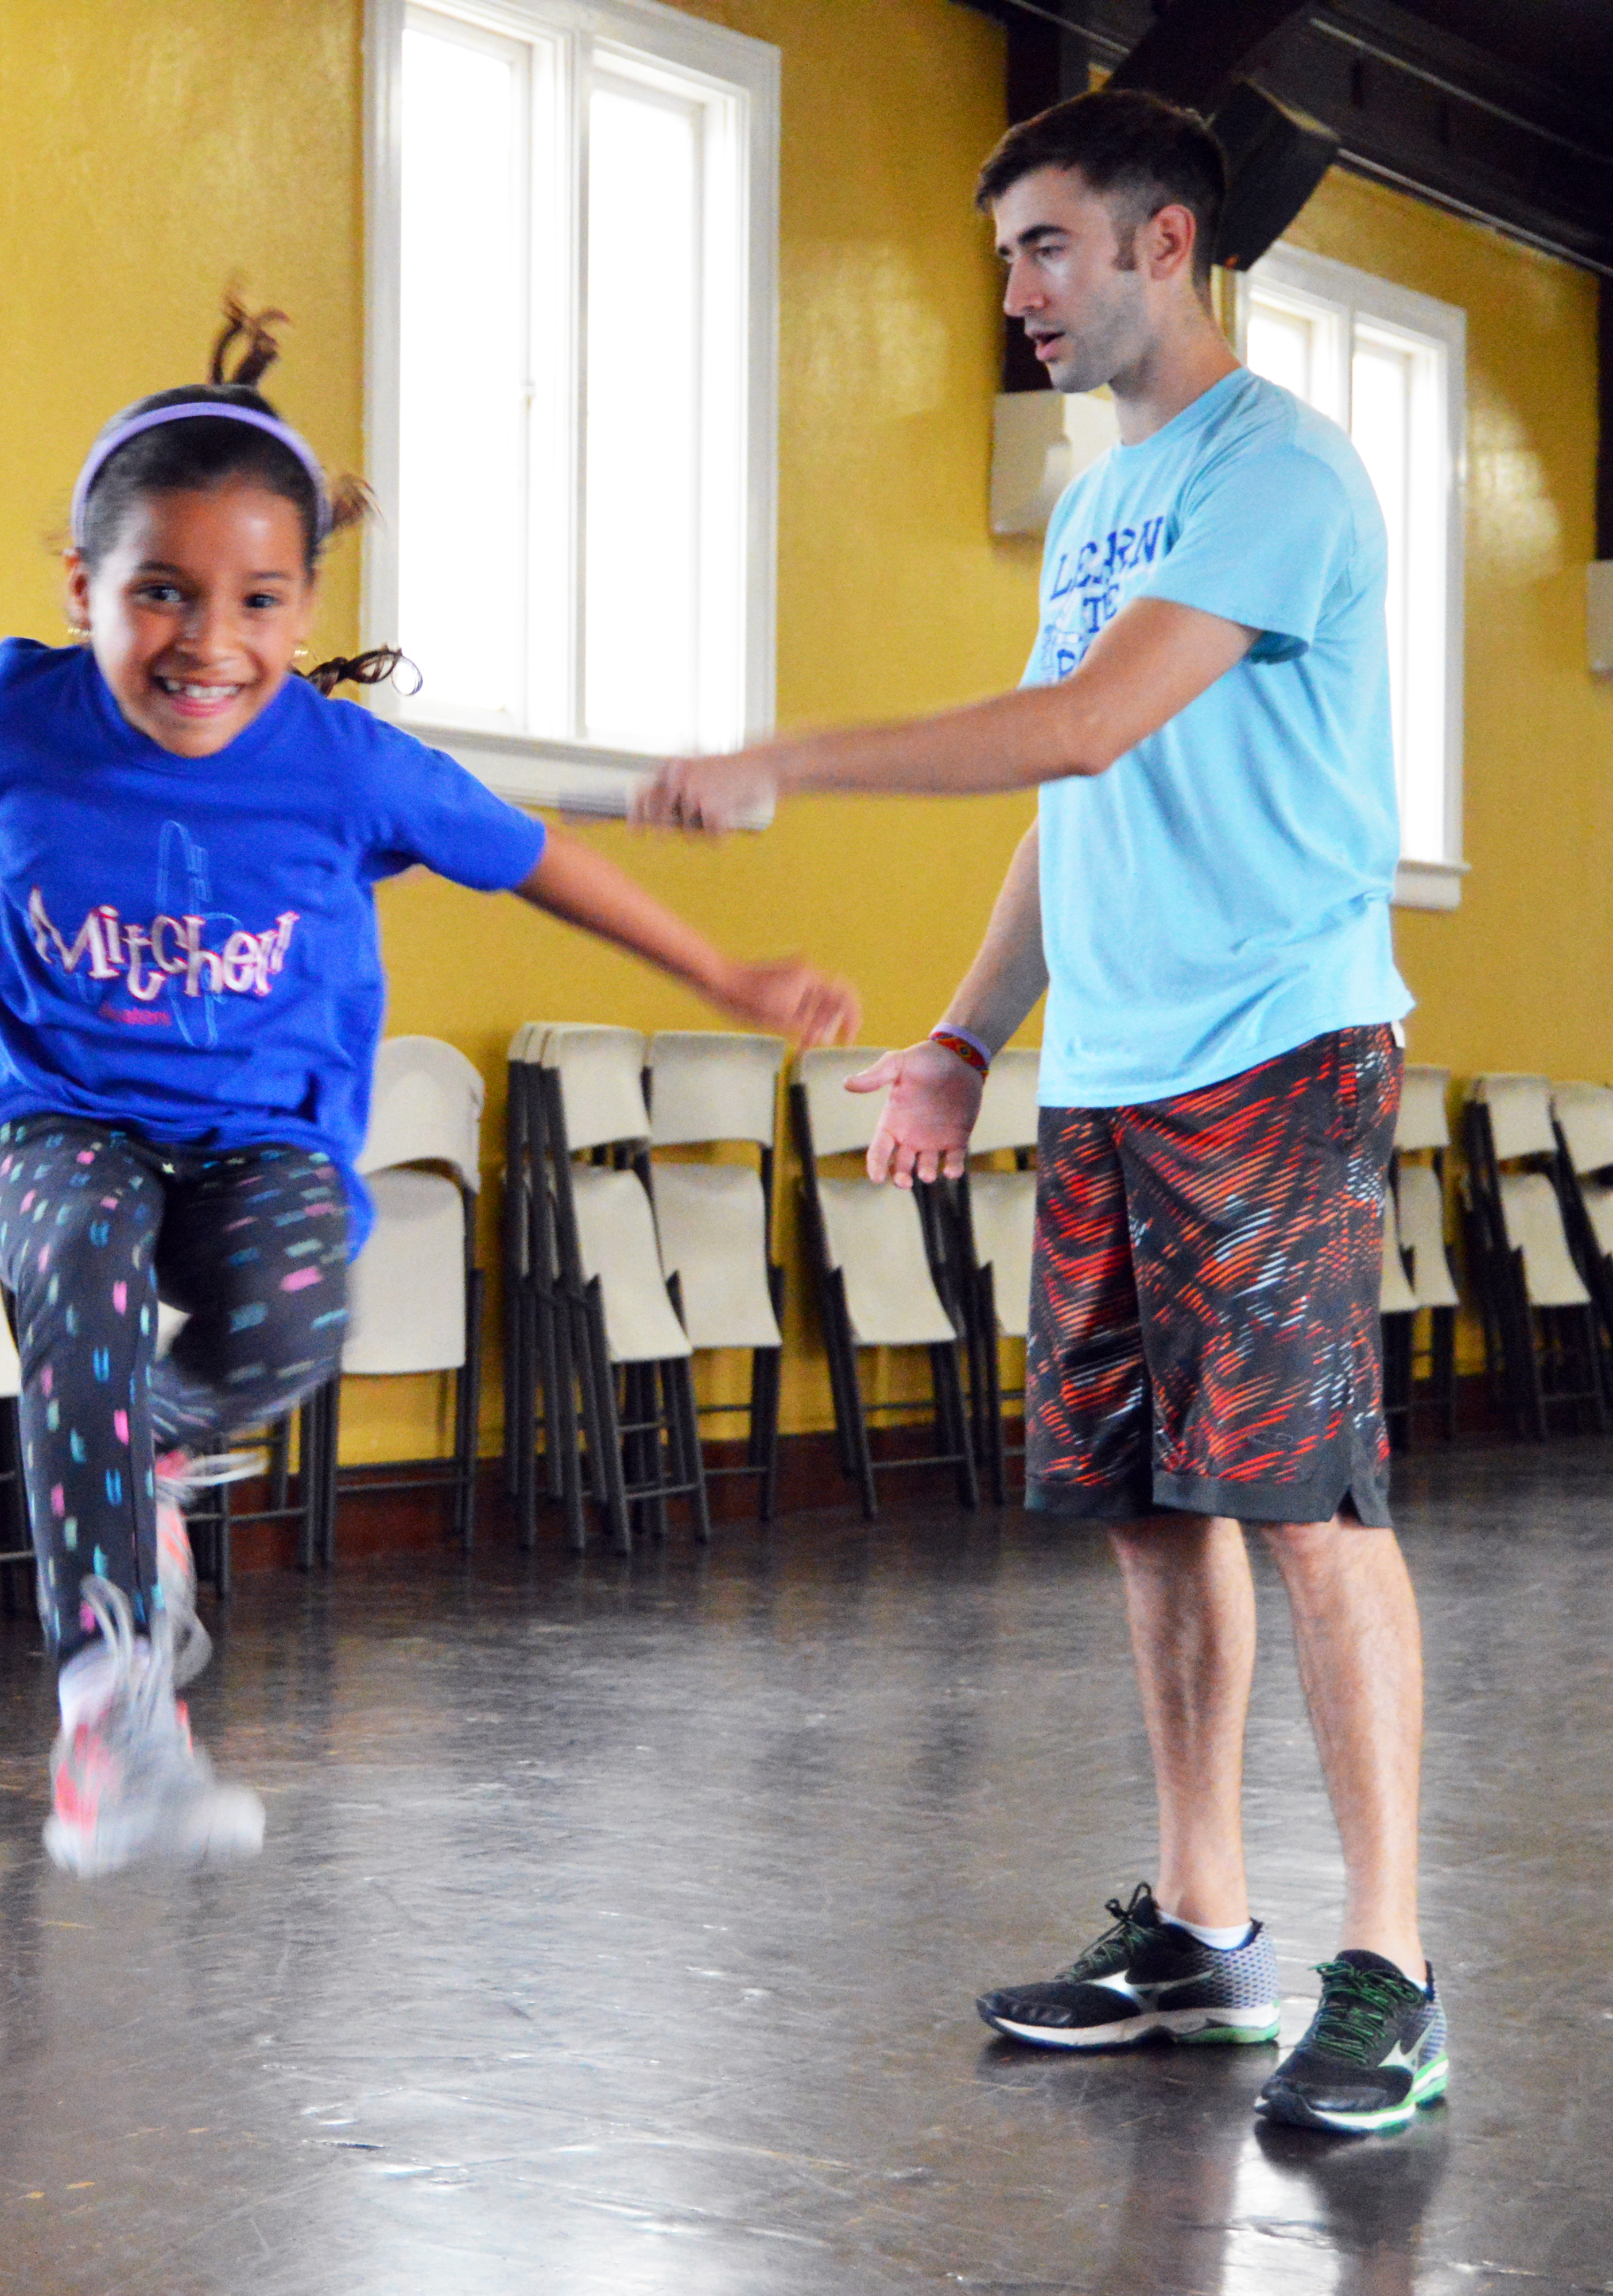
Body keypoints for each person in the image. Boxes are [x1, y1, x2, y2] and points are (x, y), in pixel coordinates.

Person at [0, 301, 858, 1878]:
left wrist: (726, 980)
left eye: (259, 599)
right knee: (77, 1280)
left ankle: (150, 1446)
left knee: (299, 1323)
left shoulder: (347, 759)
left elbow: (547, 866)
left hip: (265, 1140)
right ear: (82, 589)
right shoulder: (17, 711)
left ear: (308, 599)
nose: (210, 640)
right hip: (64, 1118)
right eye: (161, 595)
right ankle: (115, 1727)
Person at [637, 90, 1441, 2137]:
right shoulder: (1100, 507)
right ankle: (1198, 1932)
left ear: (1164, 243)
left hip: (1272, 1045)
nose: (1011, 293)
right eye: (1006, 254)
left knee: (1306, 1502)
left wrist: (789, 758)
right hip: (1106, 1066)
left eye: (1044, 249)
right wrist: (966, 1035)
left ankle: (1391, 1970)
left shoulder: (1278, 475)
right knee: (1148, 1507)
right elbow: (1072, 791)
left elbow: (1081, 719)